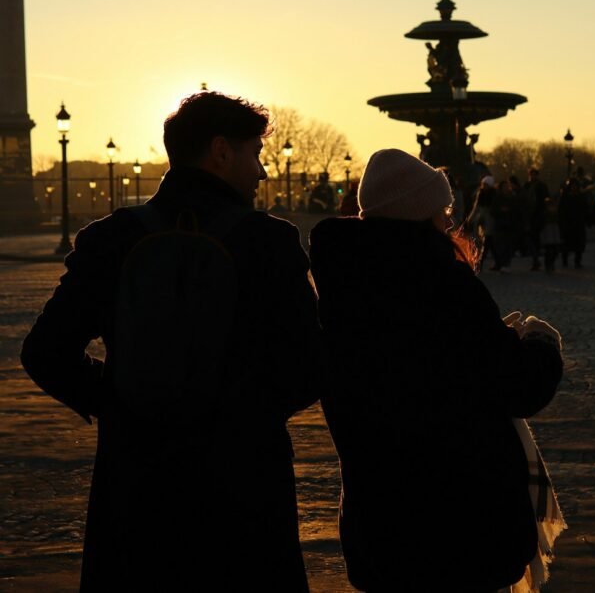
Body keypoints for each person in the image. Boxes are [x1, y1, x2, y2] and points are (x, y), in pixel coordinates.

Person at [21, 92, 320, 592]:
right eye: (255, 154)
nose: (262, 172)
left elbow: (45, 352)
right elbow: (309, 365)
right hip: (243, 485)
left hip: (137, 482)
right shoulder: (269, 242)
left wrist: (119, 399)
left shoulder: (110, 238)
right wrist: (246, 412)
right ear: (221, 151)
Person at [309, 148, 564, 593]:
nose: (448, 221)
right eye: (441, 210)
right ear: (417, 214)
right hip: (461, 519)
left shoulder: (340, 290)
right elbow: (518, 386)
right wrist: (541, 345)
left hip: (381, 519)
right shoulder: (444, 286)